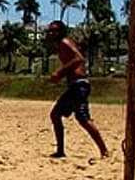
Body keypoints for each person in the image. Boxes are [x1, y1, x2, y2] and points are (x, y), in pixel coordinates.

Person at [45, 21, 110, 159]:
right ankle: (60, 150)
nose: (51, 33)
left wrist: (60, 72)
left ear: (61, 31)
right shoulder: (60, 46)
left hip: (79, 85)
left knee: (83, 118)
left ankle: (104, 151)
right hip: (75, 86)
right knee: (56, 114)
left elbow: (79, 58)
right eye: (50, 31)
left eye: (54, 31)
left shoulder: (64, 42)